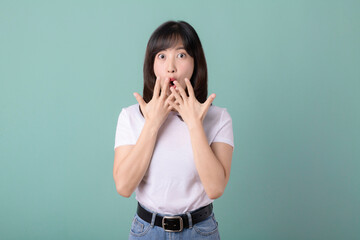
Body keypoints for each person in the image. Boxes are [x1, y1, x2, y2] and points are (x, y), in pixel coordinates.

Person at [113, 20, 234, 239]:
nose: (171, 67)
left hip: (200, 231)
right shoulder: (130, 116)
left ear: (195, 62)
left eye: (181, 55)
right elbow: (124, 186)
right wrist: (152, 123)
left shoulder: (219, 117)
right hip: (147, 230)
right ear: (152, 64)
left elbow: (215, 188)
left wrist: (194, 123)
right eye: (161, 56)